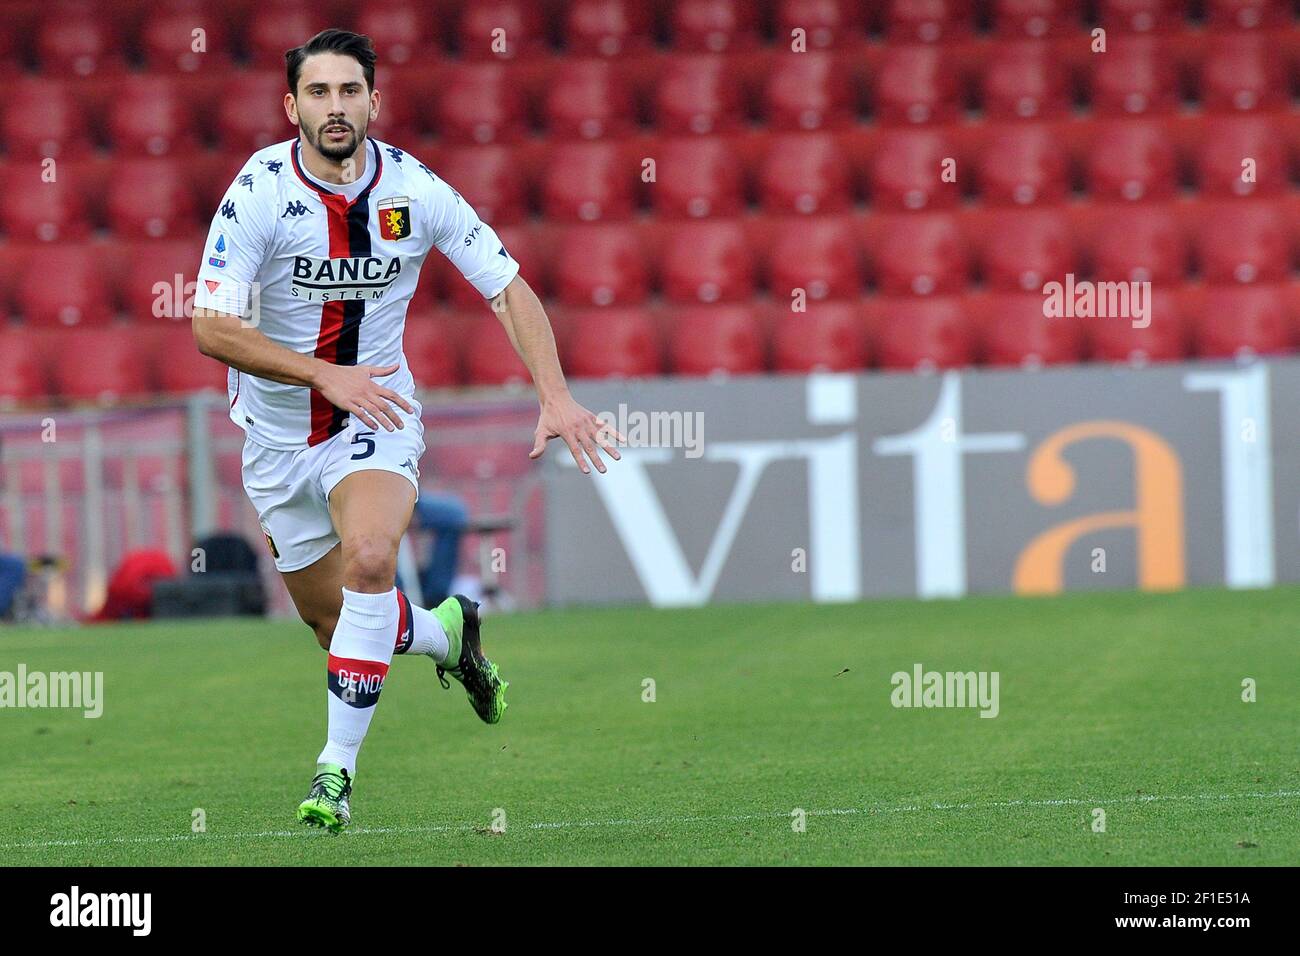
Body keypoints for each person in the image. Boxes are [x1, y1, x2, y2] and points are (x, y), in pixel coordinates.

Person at [190, 28, 621, 833]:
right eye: (318, 93)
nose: (335, 107)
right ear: (291, 107)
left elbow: (507, 287)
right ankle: (447, 634)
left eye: (349, 91)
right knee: (340, 629)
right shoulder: (257, 192)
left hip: (376, 418)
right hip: (279, 439)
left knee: (371, 558)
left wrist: (555, 395)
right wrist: (322, 374)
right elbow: (209, 326)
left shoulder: (416, 192)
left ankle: (334, 775)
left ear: (374, 102)